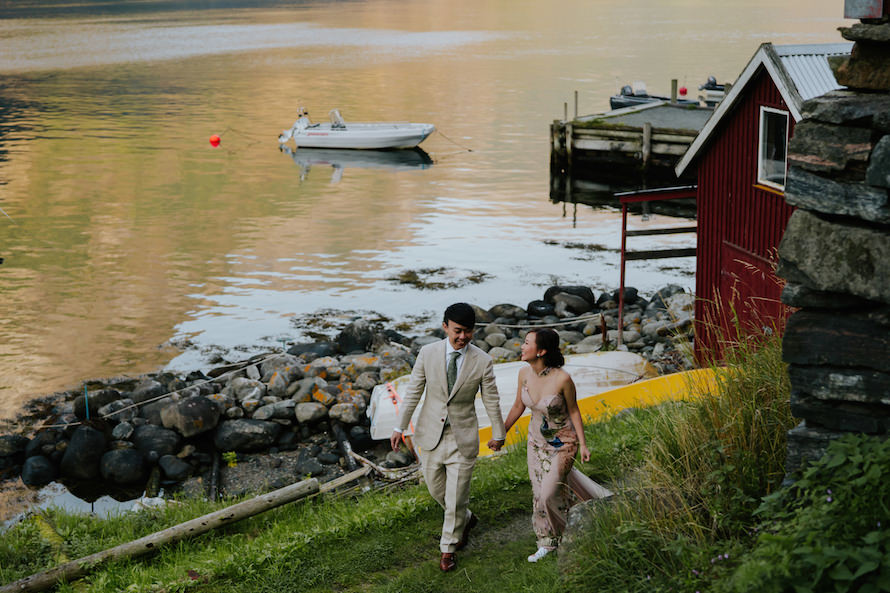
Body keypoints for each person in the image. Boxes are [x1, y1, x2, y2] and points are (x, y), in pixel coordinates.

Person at [390, 302, 507, 573]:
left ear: (473, 331)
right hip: (429, 433)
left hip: (462, 437)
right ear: (445, 327)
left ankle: (448, 548)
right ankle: (465, 518)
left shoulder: (483, 361)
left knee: (455, 496)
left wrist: (498, 433)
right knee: (436, 489)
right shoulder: (427, 353)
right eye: (457, 330)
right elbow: (414, 392)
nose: (462, 337)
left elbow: (491, 400)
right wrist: (400, 427)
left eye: (467, 331)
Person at [489, 327, 592, 563]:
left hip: (563, 443)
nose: (522, 347)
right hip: (535, 442)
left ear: (542, 350)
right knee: (540, 493)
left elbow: (574, 411)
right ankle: (548, 541)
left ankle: (571, 530)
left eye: (527, 343)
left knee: (548, 493)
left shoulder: (562, 379)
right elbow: (518, 406)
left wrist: (583, 444)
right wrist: (500, 434)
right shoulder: (523, 374)